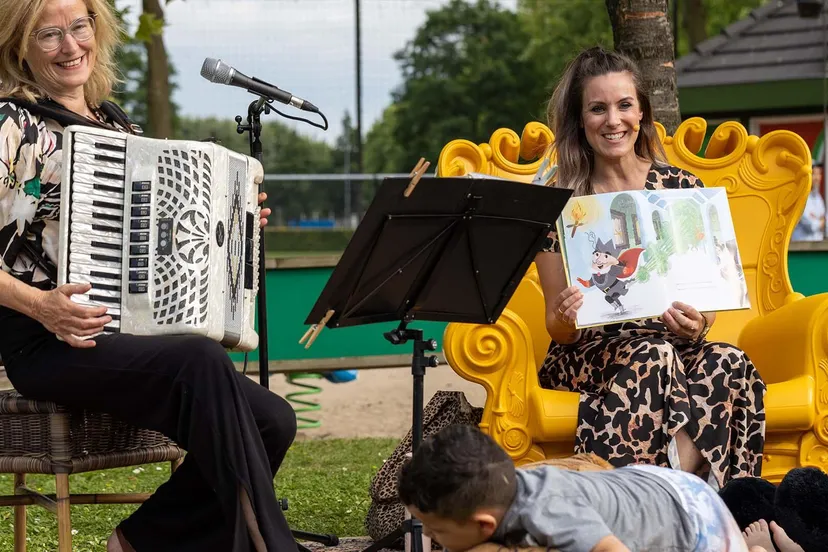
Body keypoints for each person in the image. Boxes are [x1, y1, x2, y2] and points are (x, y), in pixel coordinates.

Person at [0, 1, 298, 551]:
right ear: (20, 45)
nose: (70, 46)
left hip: (122, 334)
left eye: (80, 27)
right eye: (49, 35)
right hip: (47, 342)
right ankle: (271, 545)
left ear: (97, 30)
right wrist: (44, 307)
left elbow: (163, 232)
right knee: (199, 359)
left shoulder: (114, 124)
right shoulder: (11, 125)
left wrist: (234, 220)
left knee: (273, 420)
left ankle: (139, 542)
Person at [531, 46, 765, 489]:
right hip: (588, 354)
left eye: (624, 105)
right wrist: (566, 315)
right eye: (597, 109)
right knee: (651, 355)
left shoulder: (682, 189)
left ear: (642, 112)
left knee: (730, 361)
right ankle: (650, 498)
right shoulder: (560, 201)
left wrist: (697, 325)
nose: (613, 120)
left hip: (674, 343)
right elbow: (556, 329)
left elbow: (707, 307)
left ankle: (706, 501)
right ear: (581, 120)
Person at [397, 424, 753, 552]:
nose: (429, 534)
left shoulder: (548, 512)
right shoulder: (499, 486)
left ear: (484, 525)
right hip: (647, 483)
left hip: (691, 517)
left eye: (436, 530)